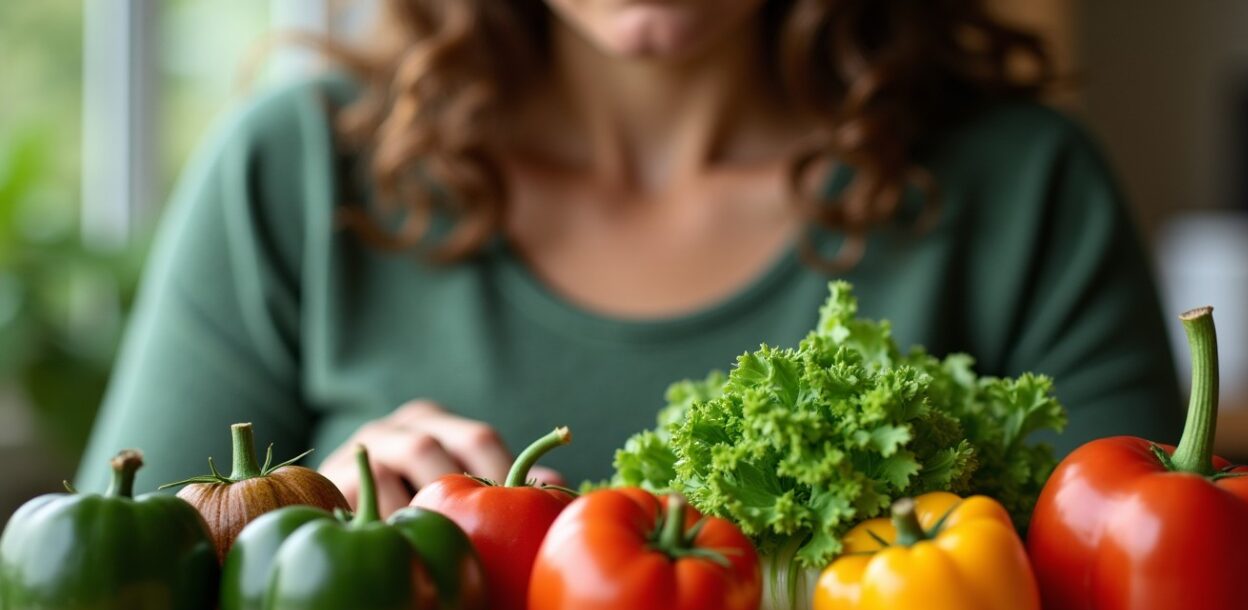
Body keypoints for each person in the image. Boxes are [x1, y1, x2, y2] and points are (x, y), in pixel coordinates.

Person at [76, 0, 1180, 517]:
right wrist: (303, 505)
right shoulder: (297, 168)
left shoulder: (1028, 185)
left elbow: (1139, 592)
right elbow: (99, 595)